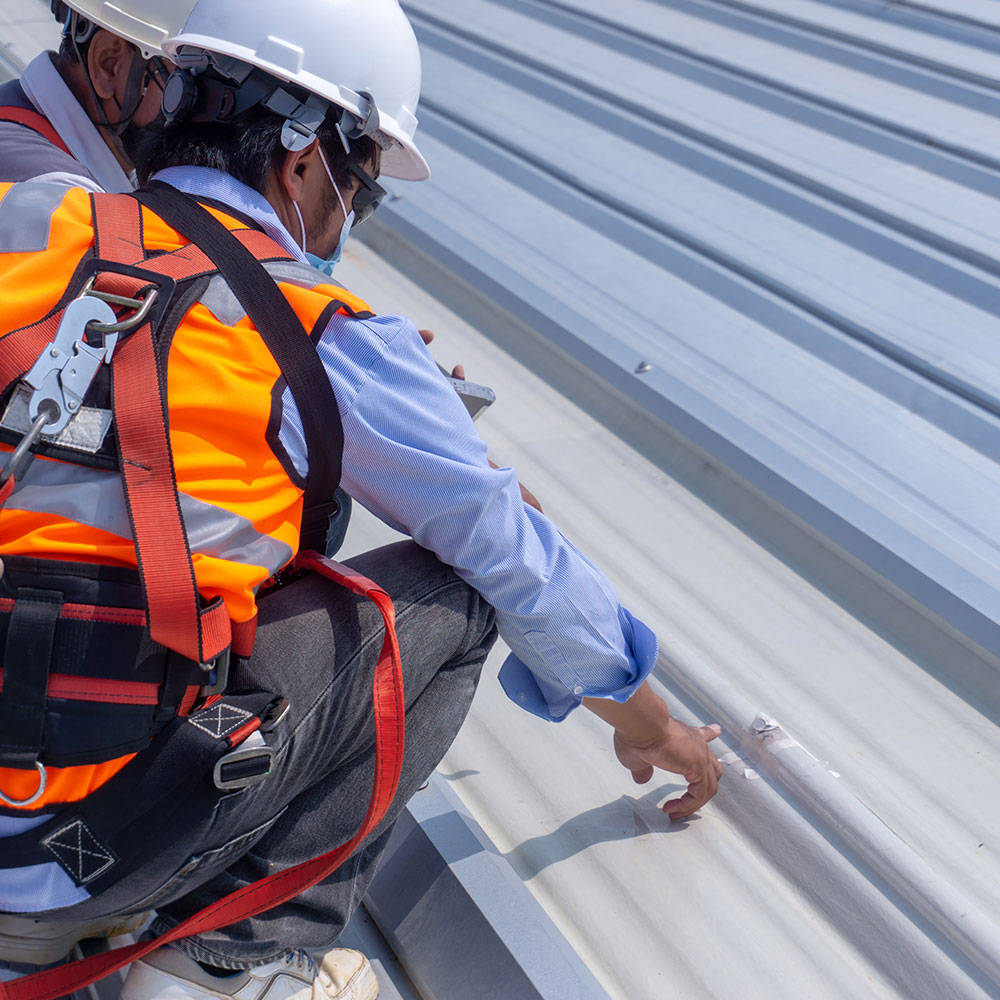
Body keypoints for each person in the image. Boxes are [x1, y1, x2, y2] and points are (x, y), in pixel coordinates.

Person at [0, 0, 722, 996]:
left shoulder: (26, 218)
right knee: (453, 591)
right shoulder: (328, 331)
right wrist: (649, 717)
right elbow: (510, 548)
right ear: (304, 161)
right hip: (92, 845)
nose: (352, 217)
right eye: (364, 187)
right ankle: (233, 963)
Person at [0, 0, 197, 192]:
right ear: (108, 64)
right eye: (182, 84)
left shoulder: (16, 110)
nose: (195, 108)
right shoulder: (55, 191)